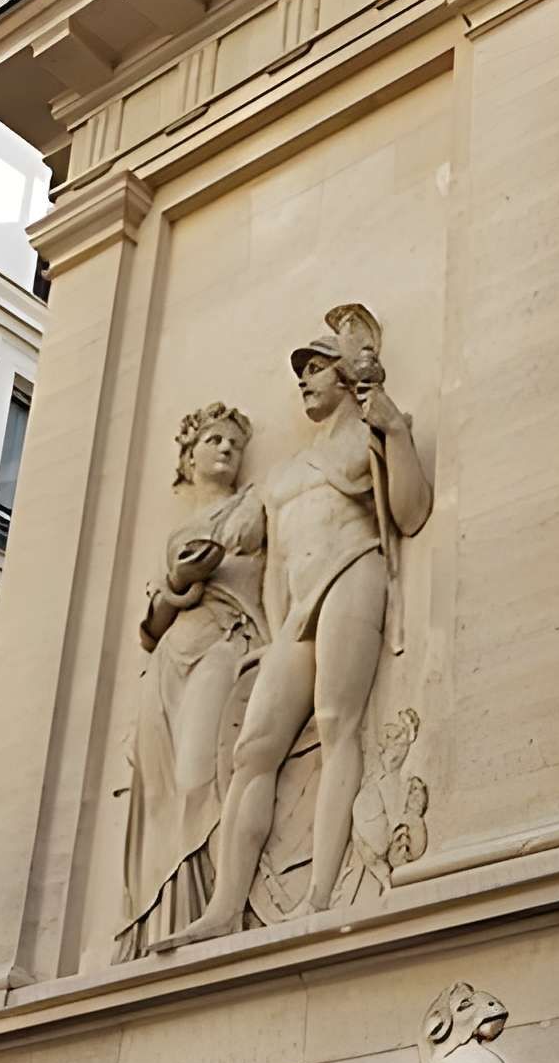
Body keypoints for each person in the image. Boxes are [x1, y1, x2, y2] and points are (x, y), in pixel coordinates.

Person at [168, 324, 431, 943]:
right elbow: (258, 557)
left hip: (352, 575)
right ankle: (226, 906)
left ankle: (321, 895)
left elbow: (412, 513)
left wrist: (395, 431)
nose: (304, 381)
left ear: (344, 375)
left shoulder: (369, 436)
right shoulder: (281, 475)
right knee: (252, 749)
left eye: (315, 368)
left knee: (339, 724)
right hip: (292, 615)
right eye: (302, 371)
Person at [114, 403, 264, 959]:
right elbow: (151, 628)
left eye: (235, 443)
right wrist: (179, 580)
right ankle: (162, 918)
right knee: (160, 794)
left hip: (227, 644)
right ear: (190, 455)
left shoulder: (254, 505)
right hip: (171, 659)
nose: (227, 449)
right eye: (215, 440)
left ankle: (211, 907)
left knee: (200, 777)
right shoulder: (179, 529)